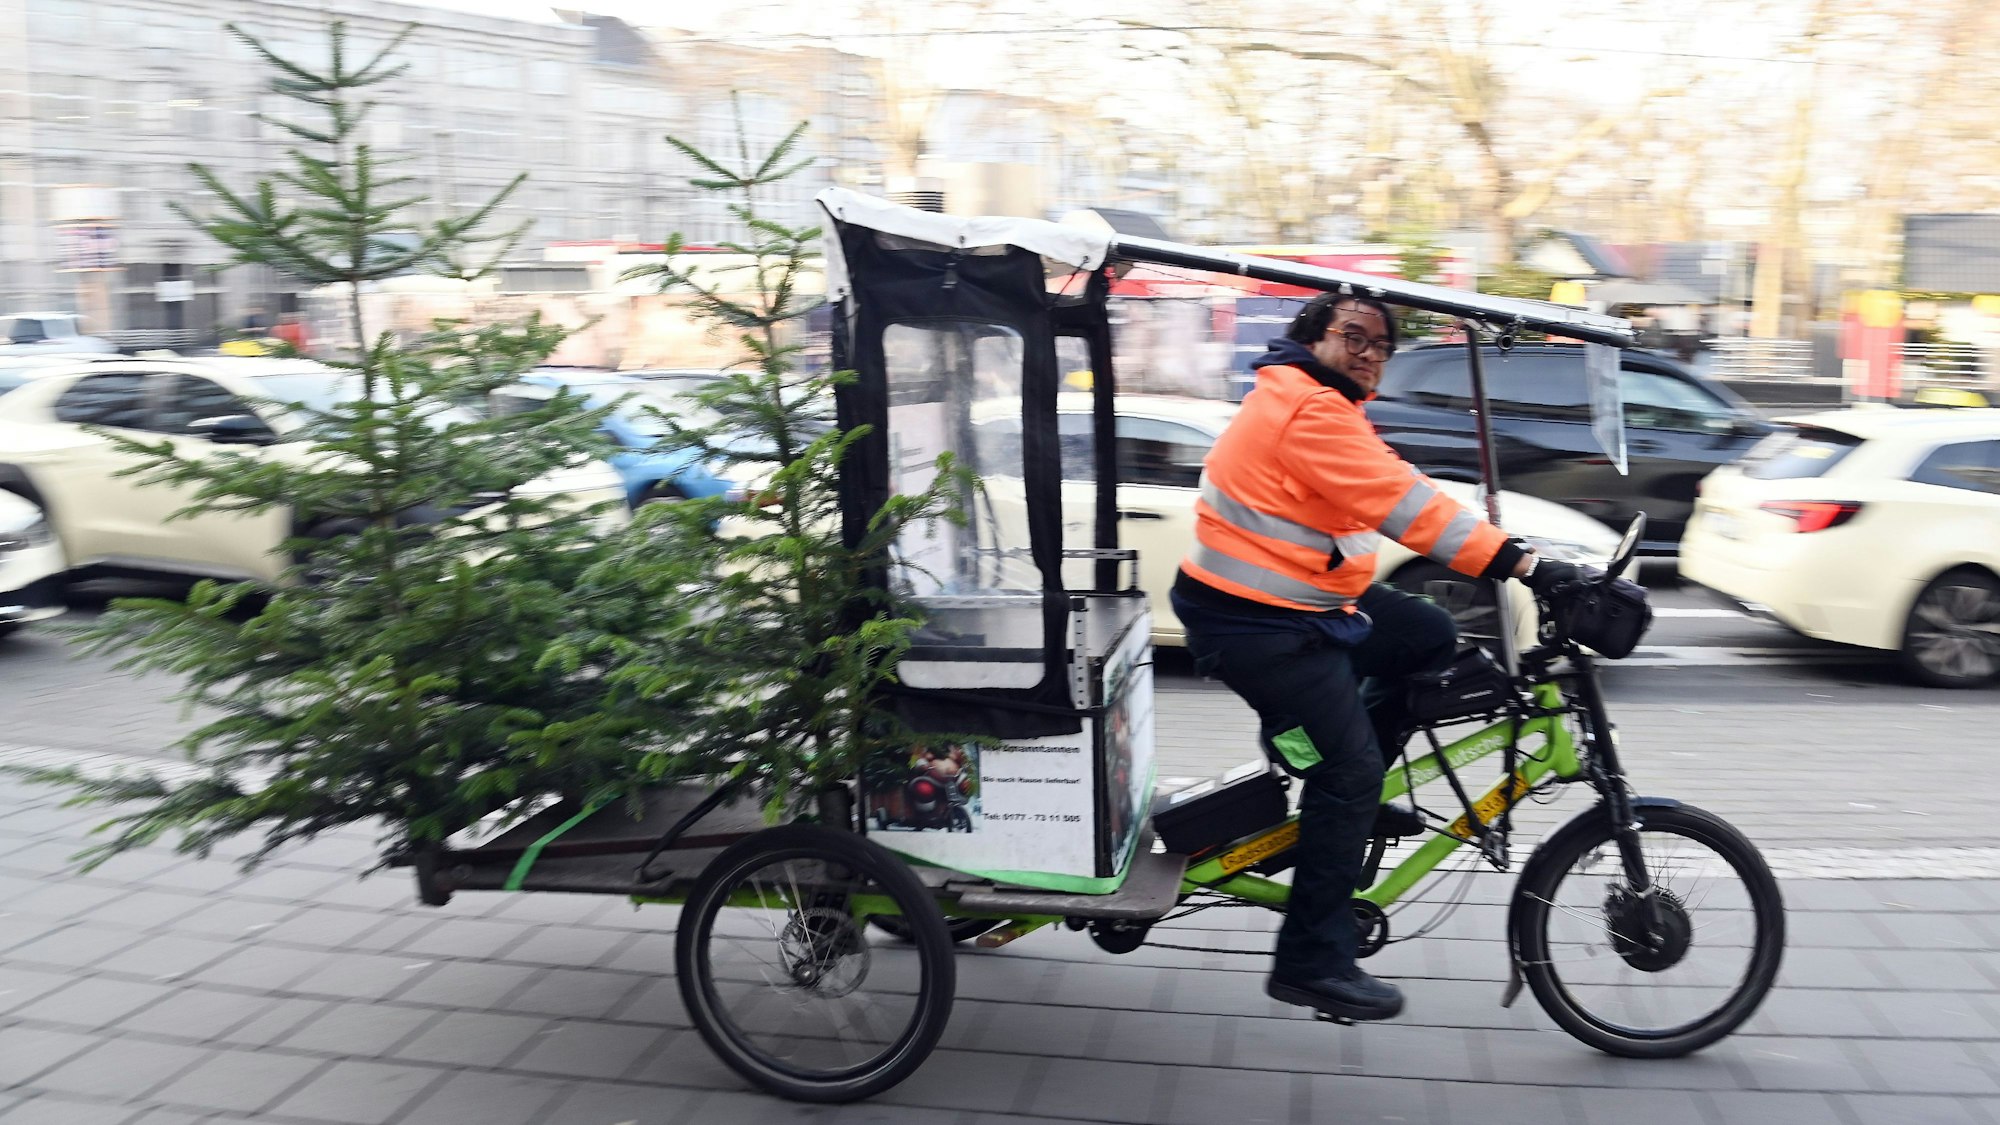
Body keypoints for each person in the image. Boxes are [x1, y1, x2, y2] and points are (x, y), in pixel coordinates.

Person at [1169, 293, 1581, 1022]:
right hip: (1254, 622)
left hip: (1302, 604)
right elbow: (1406, 505)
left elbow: (1400, 488)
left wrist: (1513, 550)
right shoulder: (1309, 409)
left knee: (1426, 636)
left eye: (1381, 345)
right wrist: (1529, 567)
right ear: (1312, 339)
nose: (1369, 353)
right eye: (1353, 336)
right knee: (1349, 769)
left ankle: (1345, 799)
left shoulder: (1323, 402)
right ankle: (1311, 959)